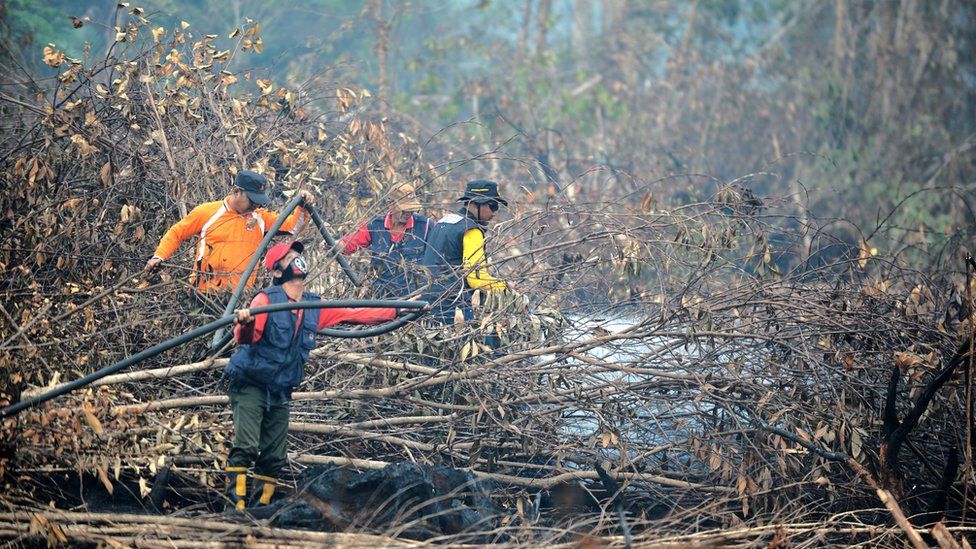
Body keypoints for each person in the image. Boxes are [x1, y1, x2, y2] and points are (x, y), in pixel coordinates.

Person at [222, 240, 409, 510]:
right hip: (250, 384)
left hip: (281, 389)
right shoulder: (265, 300)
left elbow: (355, 312)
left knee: (274, 456)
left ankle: (260, 509)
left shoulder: (314, 306)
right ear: (277, 270)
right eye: (290, 256)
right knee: (247, 447)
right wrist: (244, 323)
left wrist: (399, 310)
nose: (298, 259)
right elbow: (247, 338)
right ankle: (234, 508)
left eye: (299, 255)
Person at [145, 170, 313, 292]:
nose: (257, 205)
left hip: (240, 298)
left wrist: (302, 207)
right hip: (204, 295)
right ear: (236, 192)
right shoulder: (207, 212)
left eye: (259, 201)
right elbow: (176, 233)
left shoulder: (261, 217)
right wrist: (159, 256)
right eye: (252, 200)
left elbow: (293, 227)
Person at [420, 180, 509, 323]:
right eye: (492, 206)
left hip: (427, 305)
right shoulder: (472, 230)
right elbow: (476, 279)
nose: (494, 213)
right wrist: (505, 286)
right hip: (455, 309)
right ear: (474, 204)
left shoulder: (443, 222)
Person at [340, 183, 433, 298]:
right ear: (390, 205)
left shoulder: (426, 226)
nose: (408, 212)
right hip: (382, 298)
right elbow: (348, 245)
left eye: (411, 208)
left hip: (414, 298)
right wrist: (333, 245)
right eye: (404, 208)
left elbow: (443, 250)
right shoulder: (374, 224)